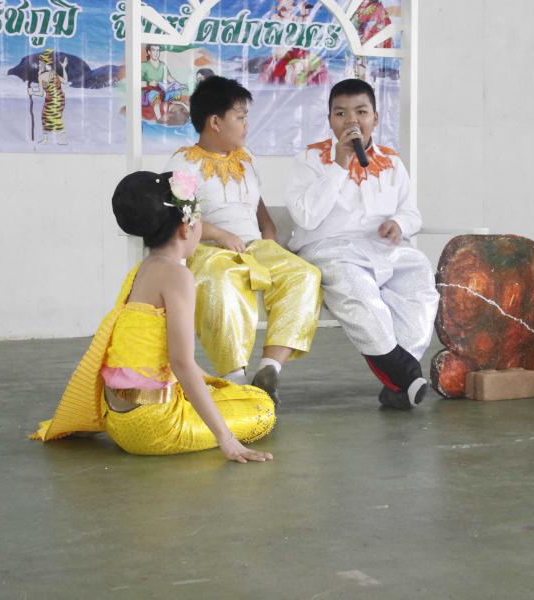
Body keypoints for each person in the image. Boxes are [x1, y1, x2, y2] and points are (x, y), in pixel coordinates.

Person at [31, 170, 275, 462]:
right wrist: (228, 440)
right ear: (186, 227)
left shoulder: (140, 271)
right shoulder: (178, 276)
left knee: (230, 392)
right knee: (261, 408)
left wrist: (213, 382)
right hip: (154, 427)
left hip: (117, 418)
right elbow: (181, 363)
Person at [165, 76, 322, 405]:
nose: (246, 125)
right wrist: (220, 234)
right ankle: (235, 377)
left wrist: (268, 229)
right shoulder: (183, 163)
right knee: (219, 282)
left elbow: (255, 200)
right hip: (208, 250)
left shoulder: (246, 157)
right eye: (240, 117)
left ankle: (269, 369)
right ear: (215, 122)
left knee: (305, 275)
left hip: (255, 247)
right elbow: (180, 215)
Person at [284, 78, 439, 410]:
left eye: (361, 112)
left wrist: (399, 224)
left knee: (420, 280)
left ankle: (397, 382)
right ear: (330, 120)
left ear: (375, 118)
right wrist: (339, 166)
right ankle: (403, 373)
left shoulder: (392, 162)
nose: (351, 121)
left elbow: (411, 213)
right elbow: (305, 217)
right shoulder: (310, 159)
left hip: (385, 250)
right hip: (330, 250)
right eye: (340, 113)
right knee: (357, 290)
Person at [28, 49, 67, 145]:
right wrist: (63, 68)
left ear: (44, 64)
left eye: (40, 64)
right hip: (60, 98)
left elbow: (41, 93)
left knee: (47, 116)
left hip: (52, 99)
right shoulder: (53, 73)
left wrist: (32, 92)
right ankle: (59, 139)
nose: (39, 65)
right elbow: (65, 81)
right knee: (55, 116)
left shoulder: (41, 76)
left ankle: (54, 139)